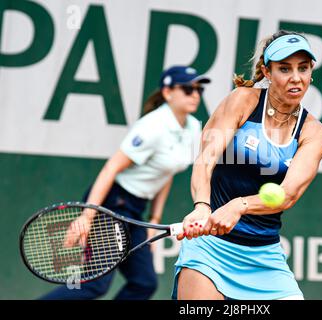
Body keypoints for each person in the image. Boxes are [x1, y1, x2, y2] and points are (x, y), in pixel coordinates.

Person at [173, 30, 322, 300]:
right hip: (210, 250)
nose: (295, 77)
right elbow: (205, 160)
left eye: (303, 68)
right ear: (267, 72)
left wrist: (238, 206)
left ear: (311, 72)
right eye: (284, 68)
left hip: (264, 258)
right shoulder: (241, 100)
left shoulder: (315, 133)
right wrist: (202, 206)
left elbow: (288, 194)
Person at [40, 65, 210, 300]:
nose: (195, 94)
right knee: (94, 285)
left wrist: (154, 218)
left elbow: (166, 173)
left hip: (135, 209)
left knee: (144, 283)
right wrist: (87, 217)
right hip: (111, 204)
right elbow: (111, 168)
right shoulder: (153, 126)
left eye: (199, 89)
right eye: (187, 89)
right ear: (168, 92)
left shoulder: (192, 127)